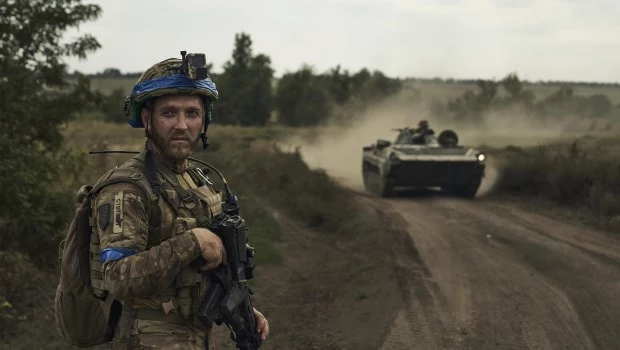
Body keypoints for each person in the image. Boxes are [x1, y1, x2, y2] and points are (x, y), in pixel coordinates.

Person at [88, 53, 269, 349]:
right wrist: (193, 242)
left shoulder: (198, 179)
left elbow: (204, 273)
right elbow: (117, 278)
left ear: (204, 120)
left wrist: (242, 309)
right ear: (148, 118)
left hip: (194, 336)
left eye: (192, 113)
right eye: (169, 113)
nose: (182, 125)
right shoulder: (127, 188)